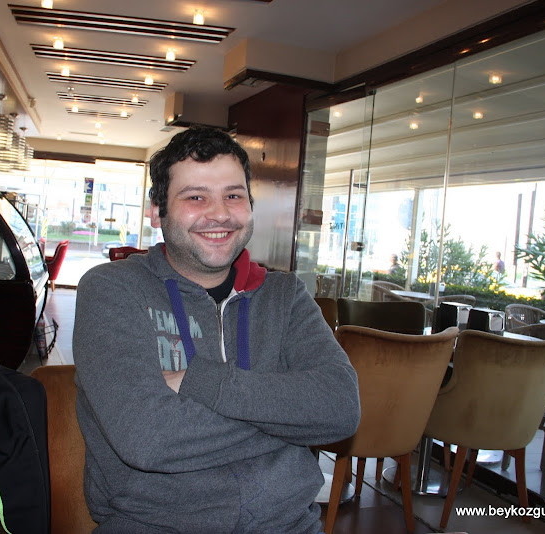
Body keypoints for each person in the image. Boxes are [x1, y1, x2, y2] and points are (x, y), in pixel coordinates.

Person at [73, 126, 361, 533]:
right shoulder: (112, 289)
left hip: (288, 525)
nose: (220, 214)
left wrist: (199, 380)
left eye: (233, 195)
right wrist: (292, 419)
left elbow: (340, 408)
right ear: (157, 210)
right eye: (195, 197)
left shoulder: (285, 295)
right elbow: (148, 439)